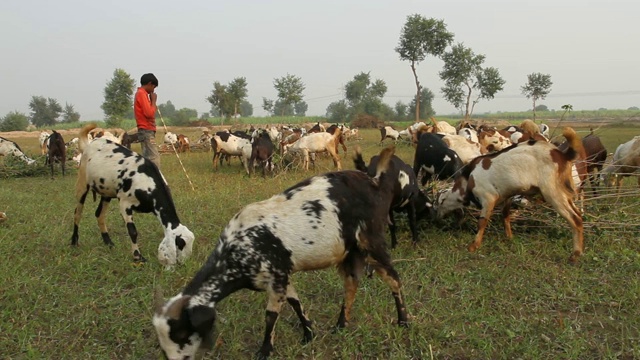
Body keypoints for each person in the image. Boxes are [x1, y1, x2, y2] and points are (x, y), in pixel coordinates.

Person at [135, 73, 160, 168]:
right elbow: (149, 113)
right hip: (146, 130)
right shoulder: (142, 94)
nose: (153, 90)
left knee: (147, 157)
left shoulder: (142, 94)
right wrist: (153, 101)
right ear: (150, 84)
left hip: (146, 130)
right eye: (153, 87)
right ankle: (156, 179)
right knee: (154, 157)